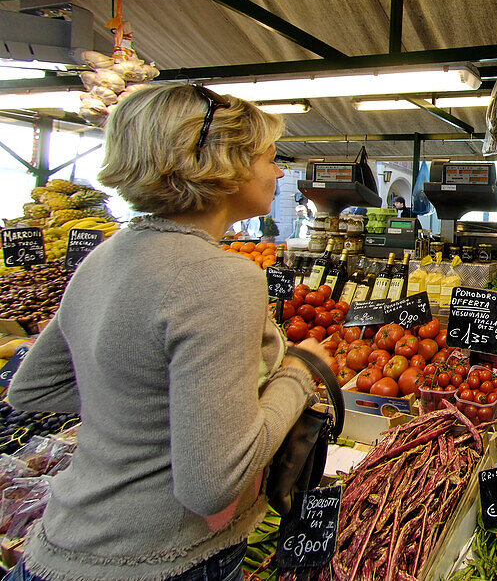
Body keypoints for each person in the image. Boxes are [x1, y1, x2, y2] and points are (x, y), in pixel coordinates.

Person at [4, 84, 330, 581]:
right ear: (226, 164)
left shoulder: (105, 255)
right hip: (163, 558)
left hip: (57, 545)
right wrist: (301, 372)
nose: (281, 172)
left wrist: (157, 409)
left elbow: (32, 387)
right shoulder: (222, 277)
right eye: (269, 157)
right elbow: (211, 484)